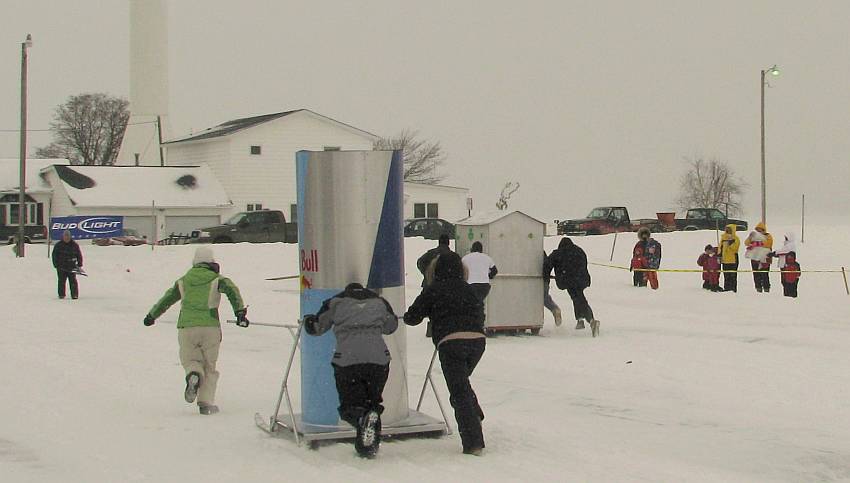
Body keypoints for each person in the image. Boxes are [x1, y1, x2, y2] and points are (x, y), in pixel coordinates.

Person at [143, 246, 248, 415]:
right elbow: (232, 290)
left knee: (191, 360)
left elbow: (167, 298)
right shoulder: (217, 279)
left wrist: (152, 315)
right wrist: (240, 313)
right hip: (210, 328)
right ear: (212, 262)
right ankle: (205, 403)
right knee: (209, 366)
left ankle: (193, 373)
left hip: (187, 328)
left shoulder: (183, 281)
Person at [403, 252, 487, 456]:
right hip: (477, 342)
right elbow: (480, 313)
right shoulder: (470, 290)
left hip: (451, 343)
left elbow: (412, 317)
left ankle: (473, 442)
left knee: (458, 392)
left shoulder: (433, 290)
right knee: (461, 384)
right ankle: (473, 411)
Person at [303, 283, 398, 458]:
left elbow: (316, 327)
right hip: (379, 360)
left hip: (348, 360)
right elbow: (391, 326)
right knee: (373, 404)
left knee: (349, 407)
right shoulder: (379, 302)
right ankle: (367, 449)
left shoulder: (336, 302)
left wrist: (308, 320)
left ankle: (361, 418)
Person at [546, 237, 599, 336]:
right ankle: (580, 320)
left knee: (578, 298)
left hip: (568, 280)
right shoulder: (579, 251)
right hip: (581, 279)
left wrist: (546, 277)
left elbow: (547, 264)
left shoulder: (558, 253)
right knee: (577, 298)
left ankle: (591, 320)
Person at [52, 230, 83, 299]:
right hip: (61, 267)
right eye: (65, 236)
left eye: (68, 236)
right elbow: (54, 255)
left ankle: (74, 295)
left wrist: (80, 264)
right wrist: (55, 264)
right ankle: (61, 294)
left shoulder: (74, 245)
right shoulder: (58, 245)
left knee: (73, 281)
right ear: (63, 237)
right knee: (61, 281)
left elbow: (79, 255)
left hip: (71, 266)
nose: (66, 238)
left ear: (70, 237)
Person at [744, 222, 774, 293]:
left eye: (760, 230)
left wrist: (759, 244)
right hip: (754, 258)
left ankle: (766, 288)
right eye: (757, 230)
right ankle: (758, 288)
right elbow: (746, 243)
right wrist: (750, 237)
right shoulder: (754, 236)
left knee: (764, 274)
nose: (758, 231)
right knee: (756, 274)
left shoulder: (768, 236)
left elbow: (769, 243)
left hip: (764, 258)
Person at [542, 251, 563, 326]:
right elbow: (547, 264)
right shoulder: (540, 251)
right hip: (544, 279)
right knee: (543, 297)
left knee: (537, 298)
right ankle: (554, 309)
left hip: (536, 278)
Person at [719, 224, 741, 292]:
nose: (728, 231)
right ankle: (726, 289)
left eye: (729, 229)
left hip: (733, 260)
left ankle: (733, 289)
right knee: (726, 276)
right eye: (727, 229)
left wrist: (730, 243)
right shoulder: (723, 238)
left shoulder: (736, 238)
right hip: (725, 260)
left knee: (733, 276)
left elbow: (735, 248)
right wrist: (719, 255)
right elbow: (720, 247)